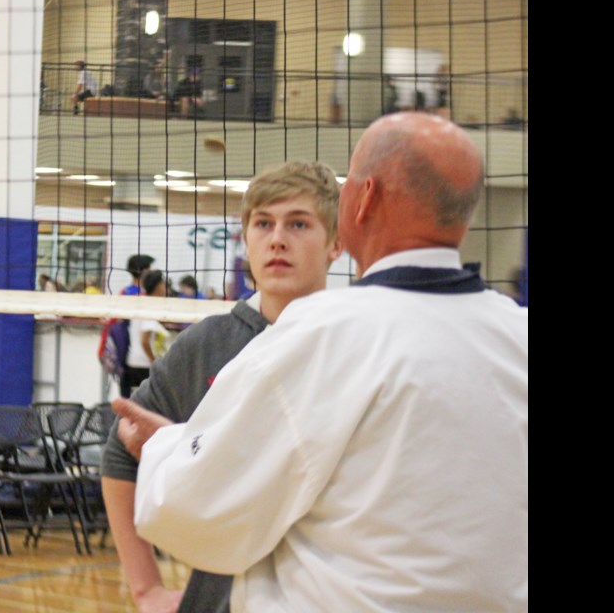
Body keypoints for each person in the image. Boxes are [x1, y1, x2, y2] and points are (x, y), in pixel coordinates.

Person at [115, 112, 528, 611]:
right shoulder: (517, 336)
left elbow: (199, 513)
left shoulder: (320, 333)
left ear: (364, 198)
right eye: (263, 224)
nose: (277, 238)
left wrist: (164, 445)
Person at [102, 161, 343, 613]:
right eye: (263, 224)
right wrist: (146, 588)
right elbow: (119, 453)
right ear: (246, 239)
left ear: (335, 242)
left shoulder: (355, 342)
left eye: (298, 223)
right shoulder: (207, 344)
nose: (277, 238)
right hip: (218, 600)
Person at [121, 269, 170, 399]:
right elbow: (144, 341)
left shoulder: (142, 303)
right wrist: (155, 362)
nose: (165, 288)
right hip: (142, 367)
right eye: (164, 284)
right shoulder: (149, 307)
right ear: (159, 286)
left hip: (133, 364)